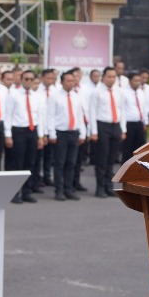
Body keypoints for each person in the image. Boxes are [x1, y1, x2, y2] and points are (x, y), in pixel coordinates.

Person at [45, 70, 88, 201]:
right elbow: (50, 116)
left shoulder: (76, 96)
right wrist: (51, 133)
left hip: (73, 133)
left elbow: (79, 116)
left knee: (71, 163)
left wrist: (82, 133)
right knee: (60, 163)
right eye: (68, 81)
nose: (71, 83)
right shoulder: (54, 96)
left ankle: (69, 189)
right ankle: (59, 190)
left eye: (72, 81)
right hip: (61, 133)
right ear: (62, 82)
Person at [5, 68, 45, 204]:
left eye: (31, 79)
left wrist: (40, 137)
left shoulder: (37, 97)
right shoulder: (14, 95)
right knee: (18, 163)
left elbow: (40, 117)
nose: (29, 81)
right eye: (26, 79)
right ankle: (15, 193)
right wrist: (8, 135)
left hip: (32, 131)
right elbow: (8, 116)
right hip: (18, 131)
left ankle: (27, 191)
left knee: (31, 163)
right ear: (21, 80)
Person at [87, 68, 124, 197]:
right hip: (102, 126)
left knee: (112, 159)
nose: (112, 79)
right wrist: (93, 131)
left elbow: (121, 110)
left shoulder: (119, 91)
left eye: (114, 77)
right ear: (103, 77)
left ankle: (109, 186)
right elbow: (91, 112)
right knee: (102, 159)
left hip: (115, 125)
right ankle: (100, 187)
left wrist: (123, 129)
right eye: (109, 76)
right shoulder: (96, 92)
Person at [121, 71, 149, 160]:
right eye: (135, 81)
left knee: (140, 148)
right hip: (129, 124)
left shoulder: (141, 92)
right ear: (130, 81)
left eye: (139, 81)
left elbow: (143, 108)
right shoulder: (124, 92)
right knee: (128, 148)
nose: (137, 83)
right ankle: (125, 169)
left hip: (139, 123)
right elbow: (122, 110)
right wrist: (123, 128)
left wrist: (145, 122)